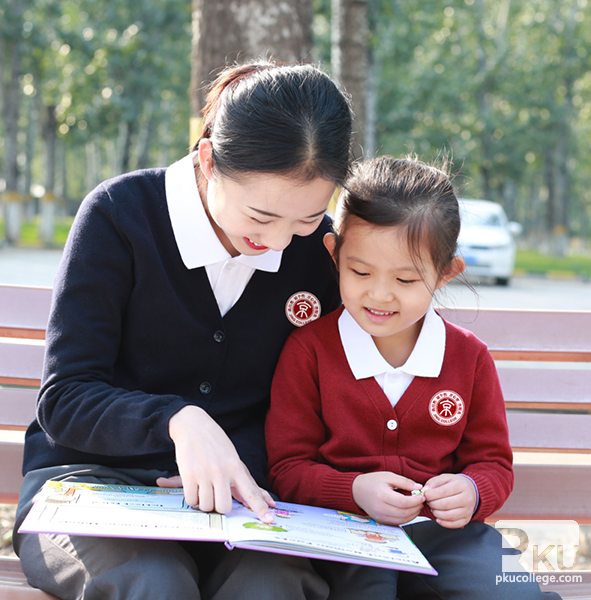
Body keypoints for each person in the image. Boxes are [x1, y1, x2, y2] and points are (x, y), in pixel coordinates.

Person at [13, 60, 353, 600]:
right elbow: (65, 399)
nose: (282, 242)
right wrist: (177, 420)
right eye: (261, 217)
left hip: (244, 499)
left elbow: (321, 405)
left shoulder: (318, 251)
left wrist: (242, 463)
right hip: (90, 485)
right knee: (156, 582)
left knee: (275, 583)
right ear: (209, 160)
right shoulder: (120, 215)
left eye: (307, 219)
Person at [265, 156, 562, 599]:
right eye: (360, 272)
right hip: (341, 535)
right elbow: (287, 470)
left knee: (508, 592)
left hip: (447, 538)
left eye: (405, 279)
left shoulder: (469, 359)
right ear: (335, 254)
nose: (379, 294)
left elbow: (493, 465)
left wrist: (472, 491)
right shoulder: (309, 351)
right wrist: (355, 489)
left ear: (446, 274)